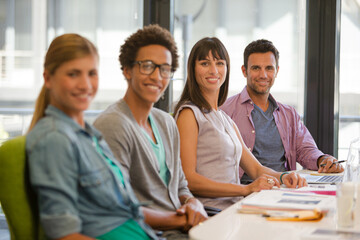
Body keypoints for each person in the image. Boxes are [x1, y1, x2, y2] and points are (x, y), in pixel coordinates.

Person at [26, 34, 157, 240]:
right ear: (48, 78)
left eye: (92, 73)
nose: (85, 85)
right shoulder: (55, 138)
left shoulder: (89, 135)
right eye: (73, 74)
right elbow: (64, 234)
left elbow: (124, 212)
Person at [93, 25, 207, 239]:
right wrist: (181, 221)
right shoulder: (112, 124)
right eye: (147, 66)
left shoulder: (166, 122)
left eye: (165, 69)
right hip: (148, 233)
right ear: (127, 70)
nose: (157, 76)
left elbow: (181, 185)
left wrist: (193, 203)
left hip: (181, 230)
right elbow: (117, 207)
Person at [174, 37, 306, 211]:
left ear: (227, 69)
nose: (213, 70)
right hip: (210, 212)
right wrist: (246, 189)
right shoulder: (189, 114)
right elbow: (188, 179)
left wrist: (284, 177)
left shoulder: (224, 118)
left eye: (220, 63)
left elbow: (256, 170)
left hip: (234, 208)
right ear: (193, 69)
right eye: (205, 63)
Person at [220, 39, 344, 185]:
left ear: (277, 71)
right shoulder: (225, 111)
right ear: (244, 70)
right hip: (244, 192)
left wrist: (322, 160)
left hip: (284, 188)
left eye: (269, 68)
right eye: (256, 68)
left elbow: (305, 149)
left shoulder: (289, 114)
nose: (263, 75)